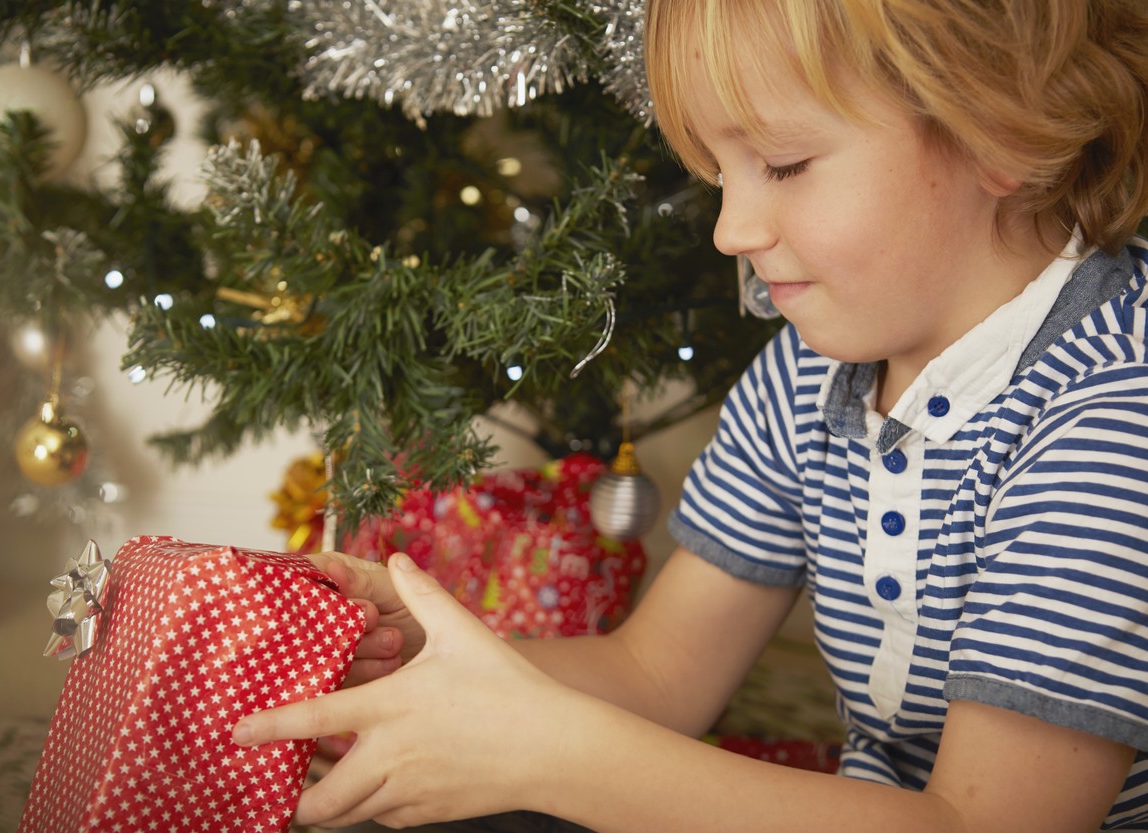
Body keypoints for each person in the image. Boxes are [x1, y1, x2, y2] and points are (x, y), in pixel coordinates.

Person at [232, 0, 1148, 829]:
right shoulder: (810, 373)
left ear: (1001, 133)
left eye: (783, 163)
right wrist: (434, 659)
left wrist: (553, 752)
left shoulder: (1109, 413)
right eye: (721, 171)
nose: (731, 229)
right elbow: (657, 676)